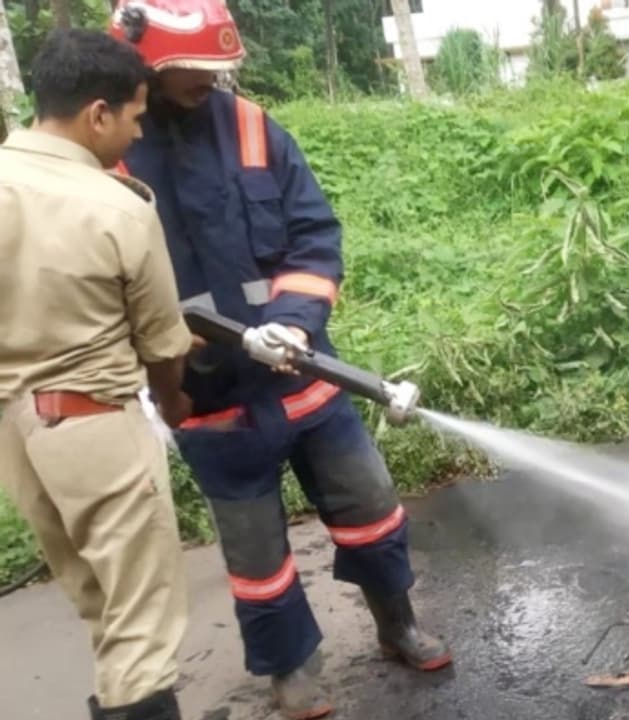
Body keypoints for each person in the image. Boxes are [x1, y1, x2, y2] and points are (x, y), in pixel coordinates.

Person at [106, 1, 451, 718]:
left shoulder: (254, 126)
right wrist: (180, 341)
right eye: (194, 70)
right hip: (211, 403)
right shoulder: (110, 155)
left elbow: (315, 234)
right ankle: (291, 670)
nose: (211, 81)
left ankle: (397, 625)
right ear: (145, 65)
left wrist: (291, 323)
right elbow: (104, 285)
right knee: (257, 556)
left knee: (373, 511)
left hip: (307, 383)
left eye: (218, 68)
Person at [0, 29, 194, 720]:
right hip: (93, 427)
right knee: (140, 620)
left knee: (98, 602)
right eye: (136, 116)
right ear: (98, 113)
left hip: (17, 435)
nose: (137, 135)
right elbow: (162, 341)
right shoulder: (117, 205)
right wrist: (172, 402)